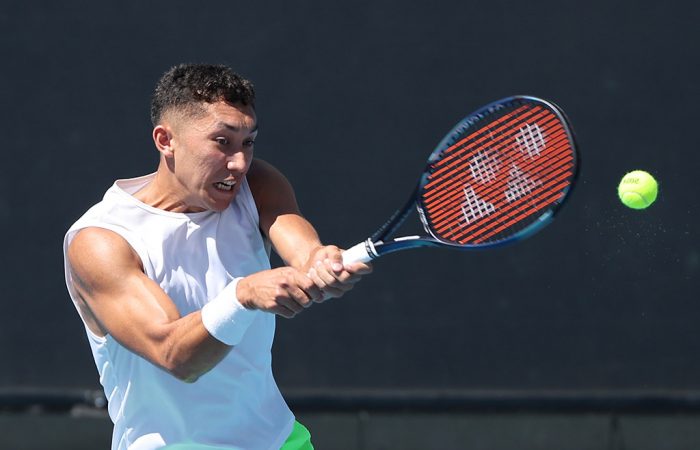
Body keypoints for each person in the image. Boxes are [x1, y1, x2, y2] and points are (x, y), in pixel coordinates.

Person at [62, 63, 371, 450]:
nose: (239, 162)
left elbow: (305, 252)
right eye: (222, 142)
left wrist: (320, 263)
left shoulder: (257, 185)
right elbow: (174, 354)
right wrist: (242, 296)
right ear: (165, 140)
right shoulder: (102, 241)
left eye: (248, 142)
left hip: (278, 441)